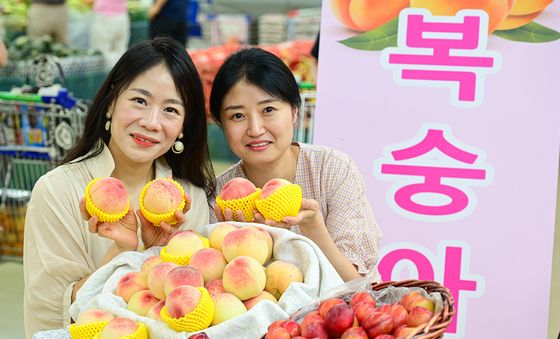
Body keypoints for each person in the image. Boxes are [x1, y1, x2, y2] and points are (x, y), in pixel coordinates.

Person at [23, 37, 215, 337]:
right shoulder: (57, 190)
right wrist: (121, 252)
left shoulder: (190, 197)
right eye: (140, 101)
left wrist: (158, 251)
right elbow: (51, 317)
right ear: (111, 103)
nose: (152, 122)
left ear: (183, 127)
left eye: (171, 110)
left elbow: (201, 313)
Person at [208, 47, 382, 282]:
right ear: (221, 123)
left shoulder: (332, 170)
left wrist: (314, 229)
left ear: (294, 111)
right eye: (238, 116)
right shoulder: (220, 197)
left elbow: (360, 288)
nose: (255, 129)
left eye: (268, 110)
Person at [86, 0, 130, 68]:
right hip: (122, 15)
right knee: (121, 51)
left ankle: (111, 77)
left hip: (104, 15)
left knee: (102, 54)